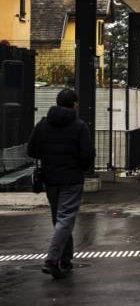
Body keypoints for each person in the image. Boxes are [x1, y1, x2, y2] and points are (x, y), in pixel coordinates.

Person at [26, 88, 95, 280]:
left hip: (51, 179)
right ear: (73, 104)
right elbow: (88, 155)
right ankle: (52, 260)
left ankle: (65, 261)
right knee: (65, 219)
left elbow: (32, 150)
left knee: (60, 220)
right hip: (71, 180)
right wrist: (79, 168)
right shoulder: (79, 126)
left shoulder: (42, 124)